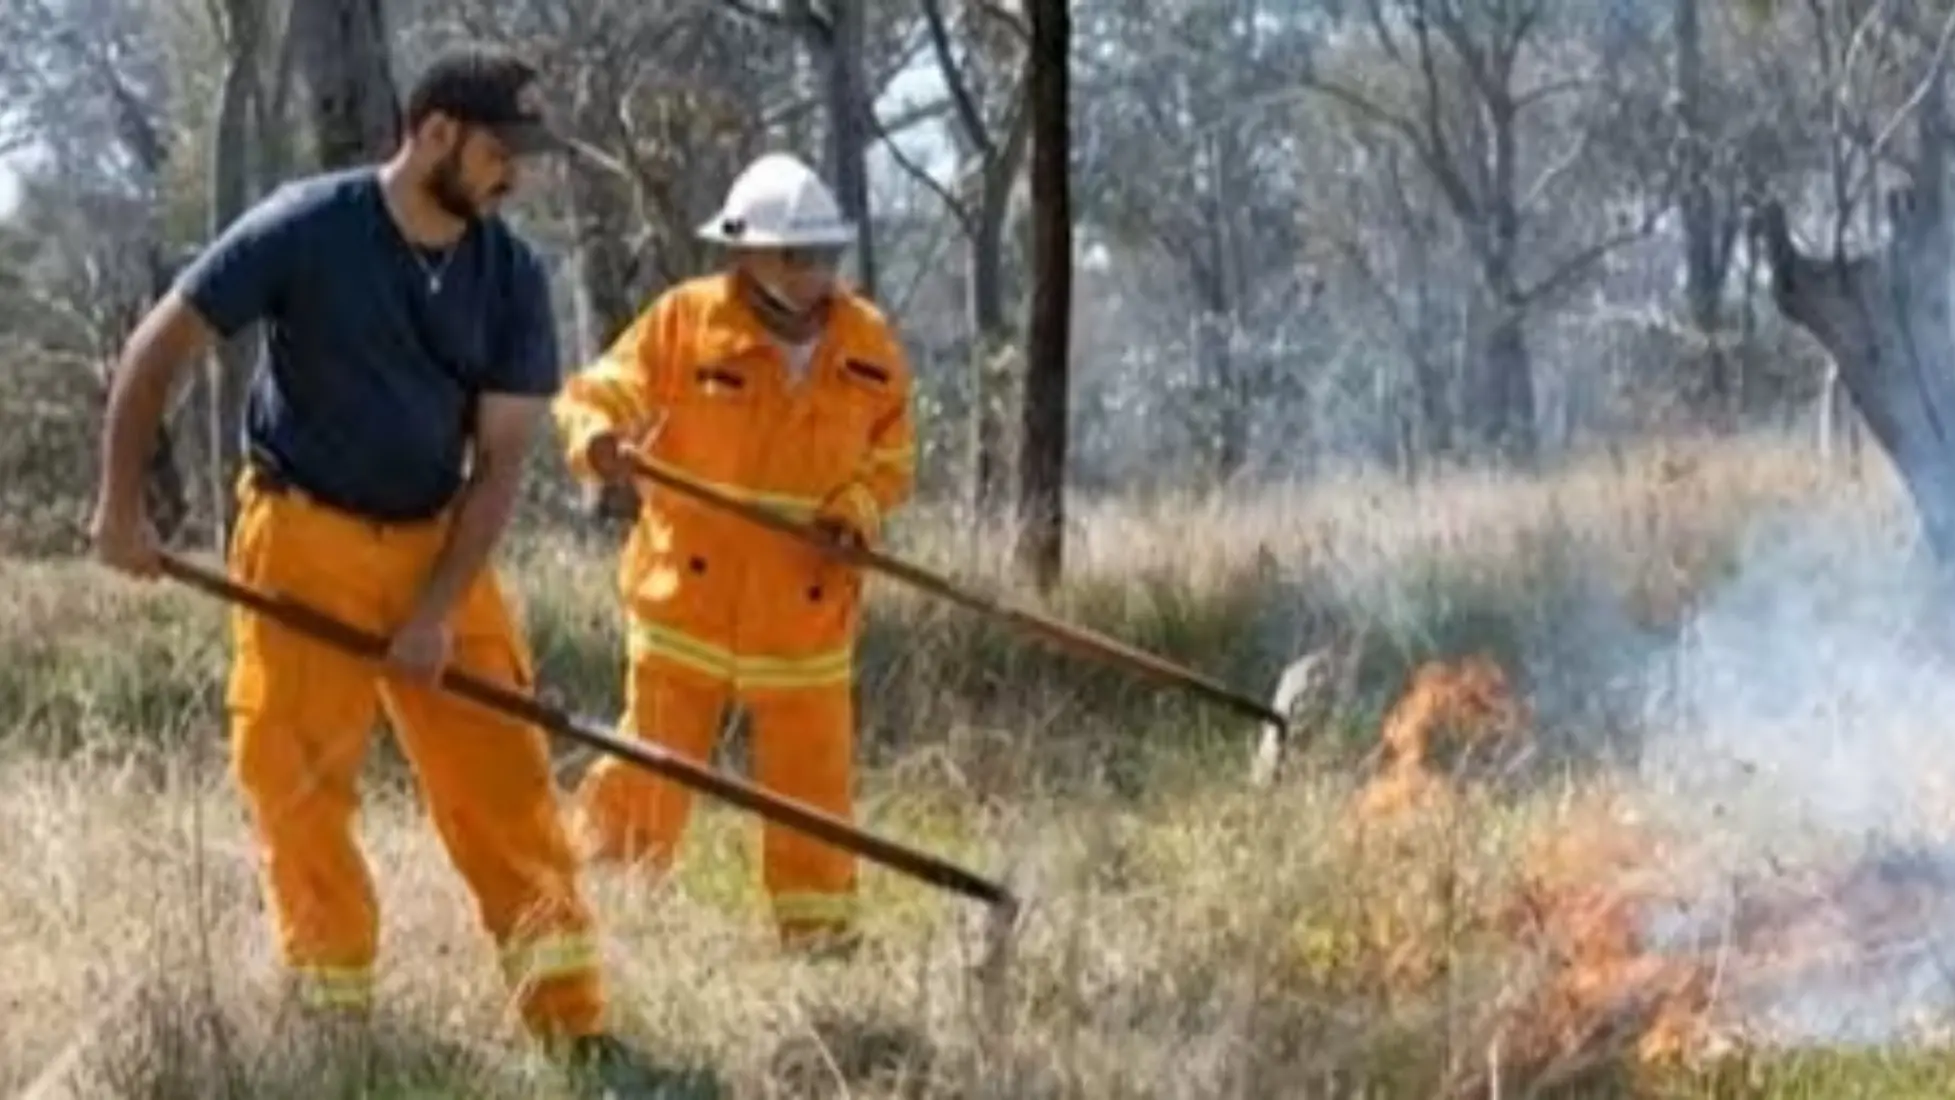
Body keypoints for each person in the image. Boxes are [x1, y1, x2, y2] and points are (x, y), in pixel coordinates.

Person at [88, 45, 648, 1083]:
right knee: (295, 781)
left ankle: (573, 1023)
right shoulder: (307, 227)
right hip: (302, 534)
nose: (511, 176)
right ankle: (334, 1020)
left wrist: (436, 612)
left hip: (442, 540)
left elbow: (502, 467)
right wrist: (121, 506)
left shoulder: (510, 274)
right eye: (497, 152)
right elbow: (158, 349)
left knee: (506, 782)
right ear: (433, 132)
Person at [552, 151, 917, 957]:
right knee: (649, 768)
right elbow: (599, 388)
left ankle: (819, 945)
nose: (815, 273)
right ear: (747, 253)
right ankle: (596, 915)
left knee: (811, 789)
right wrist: (600, 439)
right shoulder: (685, 320)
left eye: (825, 255)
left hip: (807, 610)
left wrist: (855, 513)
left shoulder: (869, 342)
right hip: (686, 601)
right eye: (797, 254)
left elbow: (891, 455)